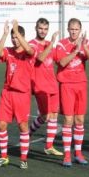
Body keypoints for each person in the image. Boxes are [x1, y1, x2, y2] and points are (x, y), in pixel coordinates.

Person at [0, 20, 35, 170]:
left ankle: (23, 159)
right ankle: (4, 157)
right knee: (1, 124)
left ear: (22, 37)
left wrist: (16, 30)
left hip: (22, 94)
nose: (14, 39)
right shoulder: (9, 51)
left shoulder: (28, 52)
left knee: (23, 126)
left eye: (17, 37)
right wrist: (5, 34)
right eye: (13, 37)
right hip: (7, 93)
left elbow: (29, 50)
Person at [55, 18, 89, 167]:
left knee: (80, 120)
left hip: (81, 84)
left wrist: (83, 46)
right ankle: (66, 155)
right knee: (68, 120)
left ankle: (78, 153)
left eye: (76, 29)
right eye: (71, 29)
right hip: (66, 85)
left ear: (80, 29)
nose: (74, 32)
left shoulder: (85, 42)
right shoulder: (61, 44)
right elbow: (62, 62)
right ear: (68, 29)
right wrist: (76, 50)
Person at [27, 18, 63, 156]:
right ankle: (28, 133)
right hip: (40, 85)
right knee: (45, 116)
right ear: (36, 28)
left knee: (53, 115)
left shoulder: (49, 44)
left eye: (45, 29)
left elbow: (58, 60)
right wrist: (52, 43)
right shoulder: (32, 44)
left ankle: (49, 146)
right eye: (41, 28)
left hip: (52, 84)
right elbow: (40, 58)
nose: (43, 31)